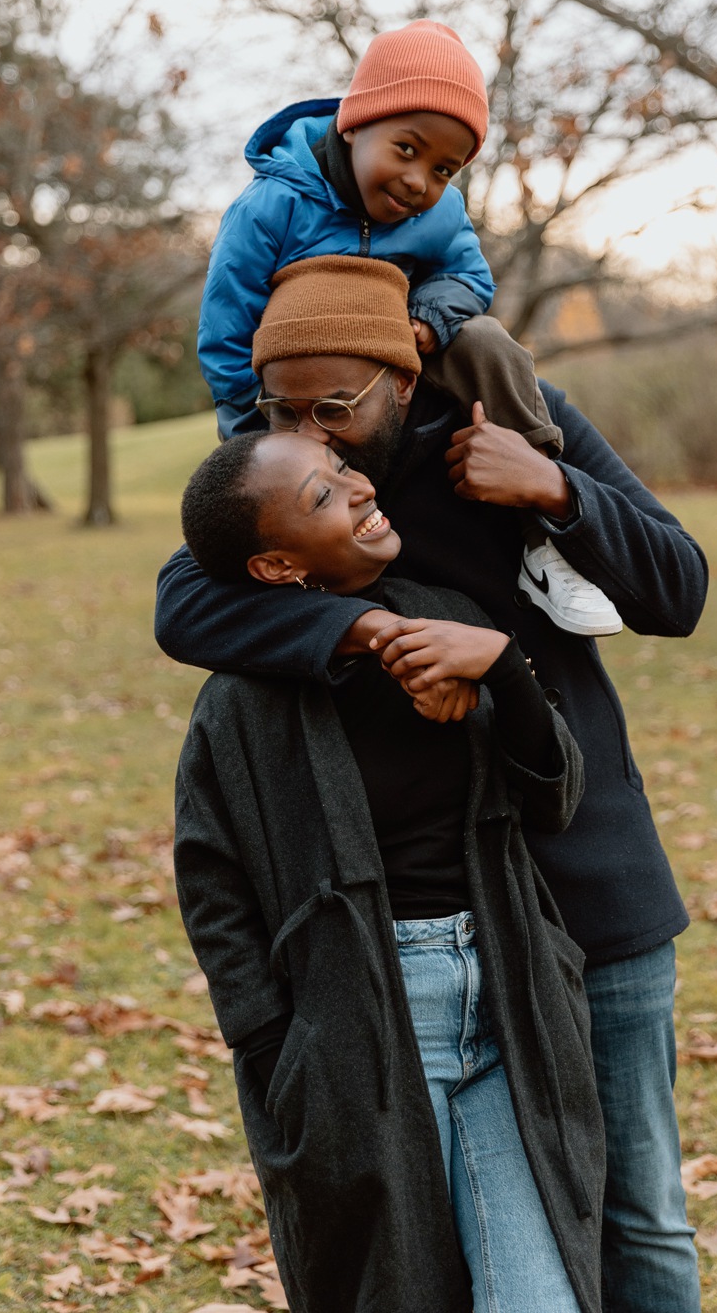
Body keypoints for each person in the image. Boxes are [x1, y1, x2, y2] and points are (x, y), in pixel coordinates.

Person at [157, 254, 709, 1313]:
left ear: (405, 374)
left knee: (640, 1216)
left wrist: (553, 486)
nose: (310, 434)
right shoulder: (291, 481)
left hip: (584, 868)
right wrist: (370, 625)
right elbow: (187, 605)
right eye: (282, 408)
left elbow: (678, 586)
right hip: (433, 911)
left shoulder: (518, 417)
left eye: (333, 405)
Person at [174, 427, 606, 1313]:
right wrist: (273, 1045)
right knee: (392, 1288)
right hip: (359, 1023)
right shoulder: (240, 701)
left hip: (508, 999)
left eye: (343, 472)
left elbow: (552, 799)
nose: (359, 490)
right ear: (277, 568)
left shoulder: (448, 613)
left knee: (540, 1297)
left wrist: (504, 672)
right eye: (323, 498)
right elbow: (209, 881)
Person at [199, 17, 620, 635]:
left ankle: (541, 535)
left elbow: (470, 279)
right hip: (303, 382)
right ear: (356, 122)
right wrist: (255, 434)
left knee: (486, 339)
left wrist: (428, 316)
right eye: (407, 148)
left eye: (445, 169)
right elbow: (227, 323)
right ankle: (309, 588)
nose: (420, 180)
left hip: (402, 351)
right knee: (295, 487)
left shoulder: (442, 213)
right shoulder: (275, 202)